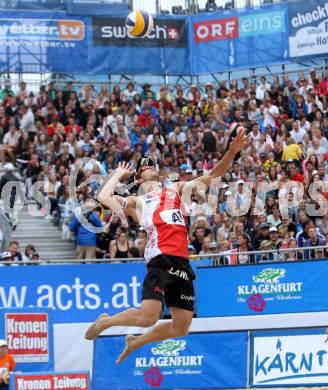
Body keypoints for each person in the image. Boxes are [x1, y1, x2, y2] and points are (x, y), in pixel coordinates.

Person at [85, 128, 247, 364]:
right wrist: (118, 174)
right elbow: (103, 197)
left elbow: (213, 175)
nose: (149, 166)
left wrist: (231, 152)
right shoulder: (136, 202)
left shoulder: (176, 189)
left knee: (181, 327)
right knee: (148, 317)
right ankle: (105, 322)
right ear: (139, 178)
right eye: (144, 167)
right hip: (160, 258)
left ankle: (136, 342)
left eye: (151, 165)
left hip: (181, 260)